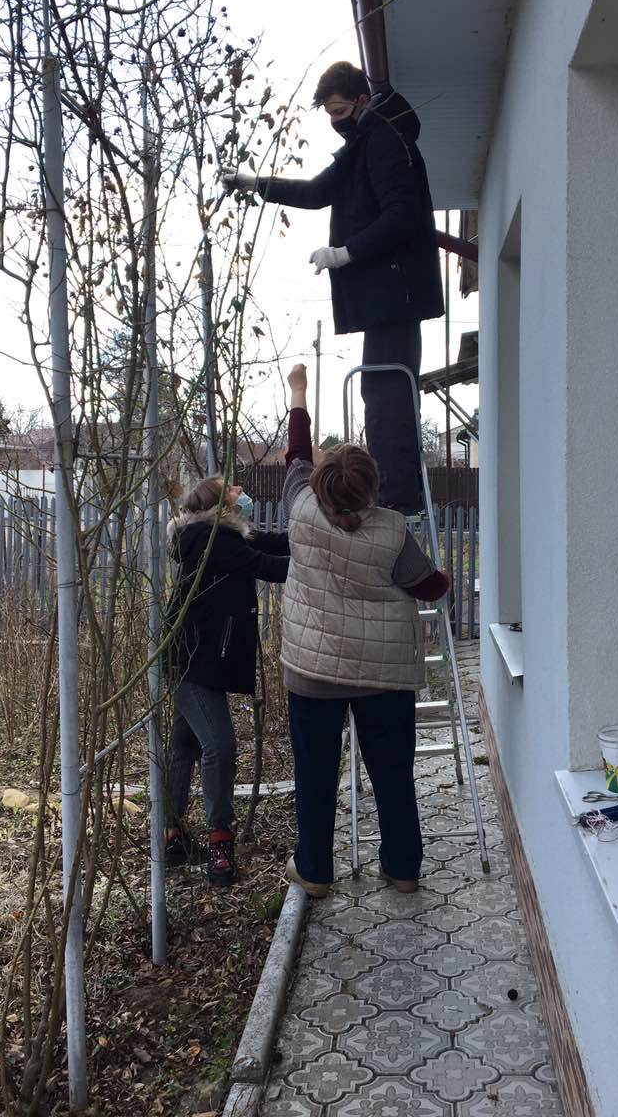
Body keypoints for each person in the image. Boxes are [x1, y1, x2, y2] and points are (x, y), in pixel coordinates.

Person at [222, 61, 444, 514]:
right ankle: (394, 495)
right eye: (328, 114)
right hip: (385, 297)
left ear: (362, 101)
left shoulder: (384, 140)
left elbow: (402, 214)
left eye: (339, 111)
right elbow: (316, 191)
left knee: (386, 394)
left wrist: (347, 253)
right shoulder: (362, 143)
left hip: (395, 293)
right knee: (380, 391)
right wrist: (255, 184)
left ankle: (398, 500)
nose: (335, 121)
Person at [279, 363, 450, 897]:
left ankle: (314, 872)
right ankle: (403, 869)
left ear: (319, 483)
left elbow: (297, 451)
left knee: (315, 775)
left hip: (313, 672)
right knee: (392, 774)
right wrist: (446, 578)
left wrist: (298, 391)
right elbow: (426, 586)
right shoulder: (393, 531)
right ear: (372, 488)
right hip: (383, 676)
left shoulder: (299, 505)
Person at [165, 475, 289, 886]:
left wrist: (314, 539)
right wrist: (320, 565)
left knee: (184, 747)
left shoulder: (222, 534)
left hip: (200, 658)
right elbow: (268, 566)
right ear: (221, 504)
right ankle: (220, 841)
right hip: (194, 663)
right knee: (219, 747)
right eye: (233, 488)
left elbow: (271, 543)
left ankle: (171, 835)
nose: (241, 491)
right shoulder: (212, 541)